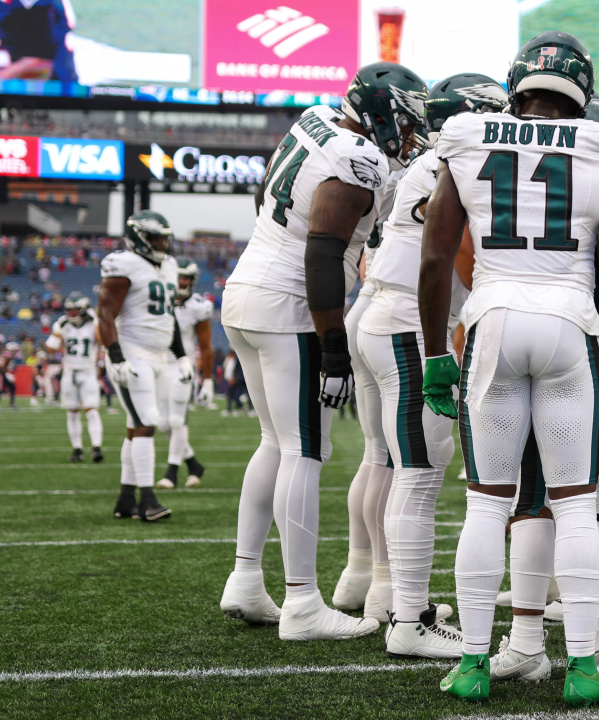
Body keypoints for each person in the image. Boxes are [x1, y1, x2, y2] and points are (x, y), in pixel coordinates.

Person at [418, 31, 599, 705]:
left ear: (515, 88)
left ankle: (472, 664)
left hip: (493, 318)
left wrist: (436, 354)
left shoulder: (467, 134)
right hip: (569, 322)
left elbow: (435, 258)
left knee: (488, 503)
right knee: (576, 503)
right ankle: (581, 668)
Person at [217, 62, 424, 642]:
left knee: (274, 442)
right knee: (306, 450)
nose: (408, 135)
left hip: (247, 289)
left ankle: (246, 579)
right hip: (291, 306)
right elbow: (321, 255)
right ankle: (303, 602)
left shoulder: (314, 121)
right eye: (404, 122)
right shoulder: (356, 160)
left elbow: (277, 201)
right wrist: (333, 347)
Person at [356, 72, 507, 656]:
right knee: (418, 475)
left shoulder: (431, 160)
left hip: (391, 319)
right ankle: (409, 623)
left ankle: (397, 602)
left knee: (402, 468)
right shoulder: (455, 162)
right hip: (409, 326)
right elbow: (453, 256)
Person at [330, 66, 435, 627]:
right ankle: (388, 590)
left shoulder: (402, 164)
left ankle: (360, 575)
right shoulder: (436, 164)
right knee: (405, 465)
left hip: (369, 307)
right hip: (399, 315)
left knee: (380, 457)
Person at [98, 210, 187, 523]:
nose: (162, 243)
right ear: (139, 237)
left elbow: (169, 317)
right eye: (155, 237)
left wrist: (183, 355)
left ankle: (125, 498)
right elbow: (105, 314)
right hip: (133, 352)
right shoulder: (123, 264)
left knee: (136, 426)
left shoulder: (170, 266)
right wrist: (116, 354)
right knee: (147, 421)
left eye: (164, 236)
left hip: (161, 354)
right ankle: (147, 500)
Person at [156, 257, 215, 489]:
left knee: (176, 420)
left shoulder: (198, 306)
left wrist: (208, 380)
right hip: (160, 365)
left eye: (185, 277)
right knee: (163, 424)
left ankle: (171, 473)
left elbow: (206, 346)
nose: (181, 281)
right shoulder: (159, 300)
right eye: (178, 276)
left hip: (183, 366)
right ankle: (193, 464)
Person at [45, 291, 104, 463]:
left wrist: (98, 323)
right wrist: (57, 332)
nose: (71, 314)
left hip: (88, 370)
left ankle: (96, 447)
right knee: (72, 412)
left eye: (75, 310)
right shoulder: (63, 324)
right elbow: (51, 349)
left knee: (91, 410)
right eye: (69, 310)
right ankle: (77, 449)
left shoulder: (93, 324)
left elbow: (103, 341)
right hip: (70, 371)